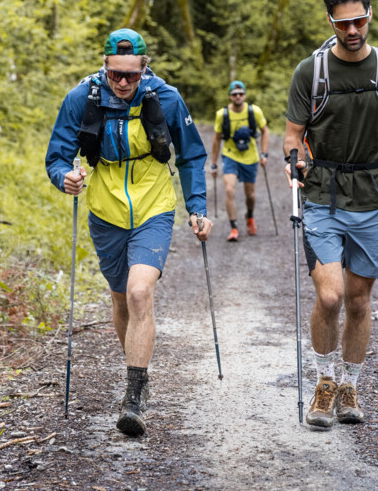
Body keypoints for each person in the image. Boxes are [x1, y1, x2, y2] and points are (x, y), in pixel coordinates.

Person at [46, 28, 212, 437]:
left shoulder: (166, 98)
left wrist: (197, 207)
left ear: (144, 67)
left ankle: (134, 394)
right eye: (115, 74)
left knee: (140, 292)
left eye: (131, 76)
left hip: (154, 206)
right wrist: (63, 176)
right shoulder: (81, 98)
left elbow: (191, 155)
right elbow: (57, 155)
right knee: (120, 297)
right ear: (104, 66)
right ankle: (137, 371)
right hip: (105, 210)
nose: (122, 83)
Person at [283, 0, 378, 429]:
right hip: (322, 193)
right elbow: (293, 136)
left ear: (369, 15)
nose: (352, 31)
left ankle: (350, 388)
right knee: (330, 295)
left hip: (372, 197)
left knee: (359, 301)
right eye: (342, 24)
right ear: (330, 21)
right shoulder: (312, 71)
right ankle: (323, 384)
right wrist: (293, 160)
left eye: (359, 21)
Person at [211, 80, 270, 241]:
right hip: (230, 155)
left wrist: (264, 154)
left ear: (244, 95)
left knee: (250, 194)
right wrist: (214, 163)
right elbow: (216, 140)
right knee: (229, 189)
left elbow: (265, 131)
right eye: (235, 94)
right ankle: (234, 228)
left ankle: (249, 216)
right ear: (230, 96)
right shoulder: (222, 115)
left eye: (241, 94)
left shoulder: (254, 111)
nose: (238, 96)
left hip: (250, 157)